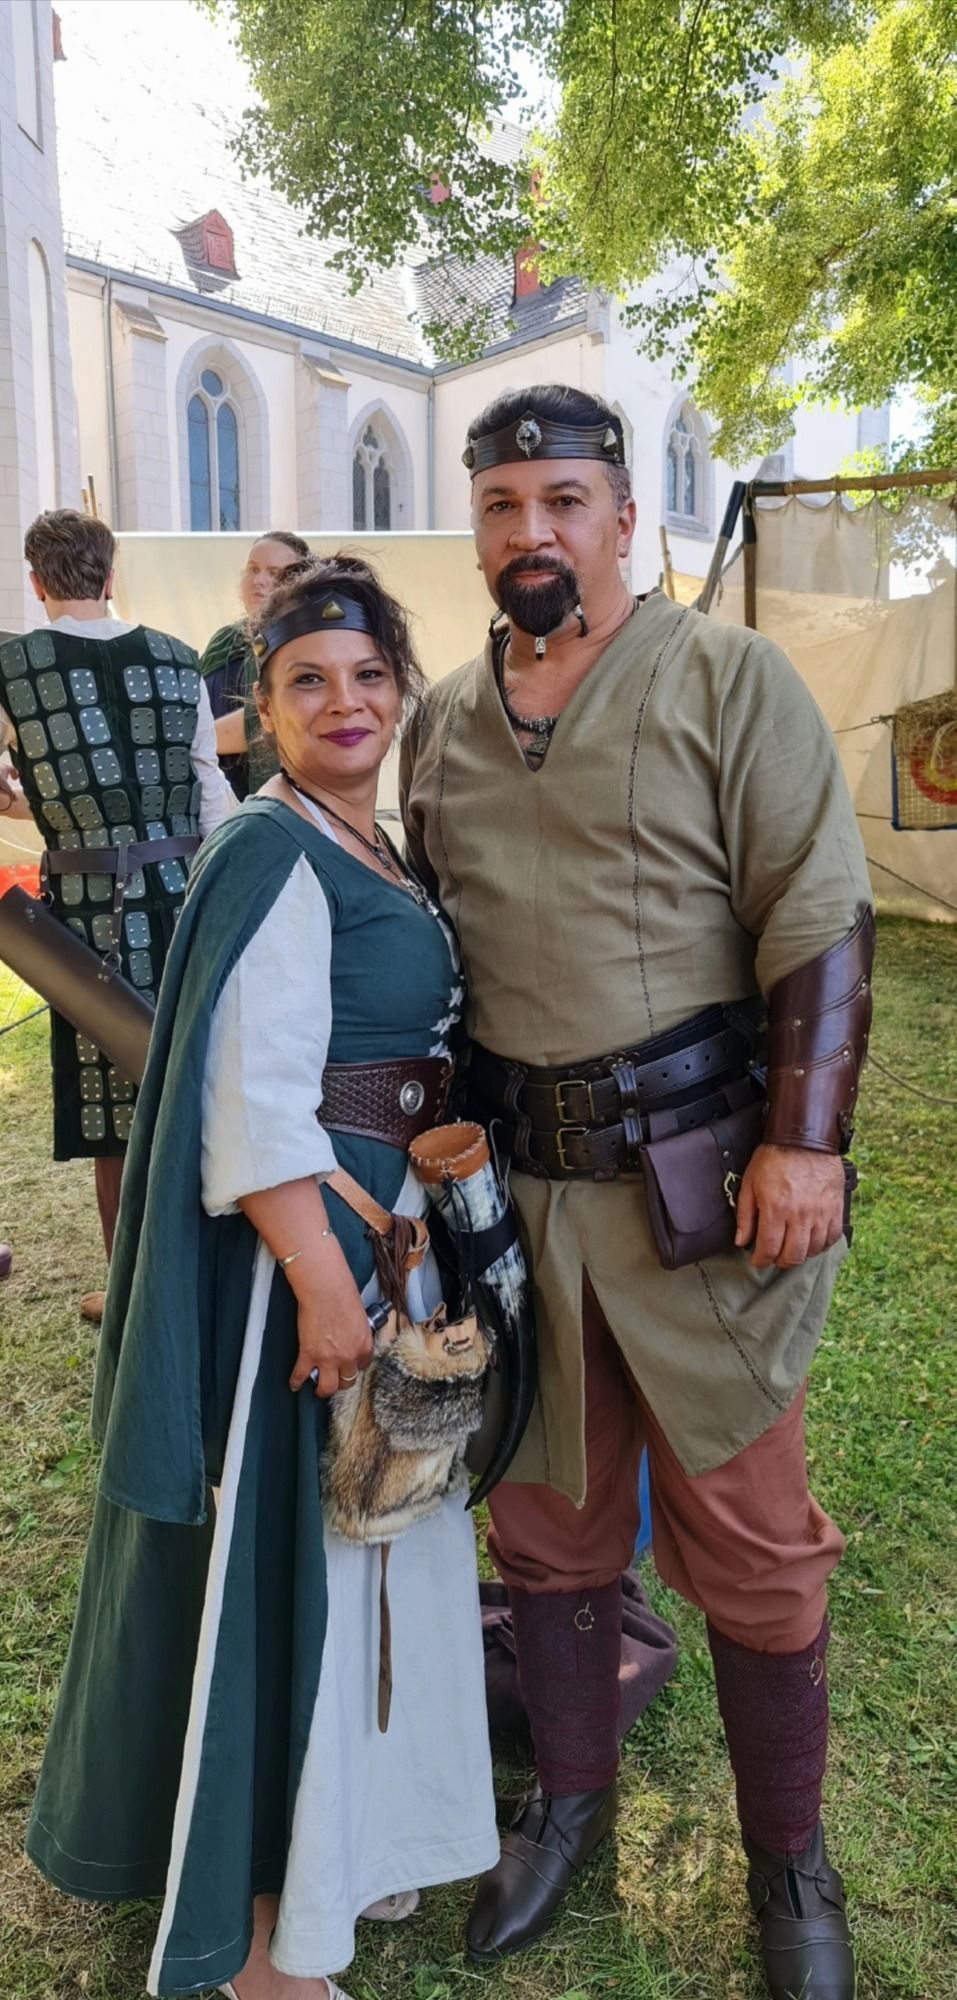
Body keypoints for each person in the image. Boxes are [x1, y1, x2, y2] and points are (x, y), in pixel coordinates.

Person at [400, 384, 874, 2000]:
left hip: (699, 1194)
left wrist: (804, 1138)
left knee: (750, 1536)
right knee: (546, 1524)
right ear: (478, 532)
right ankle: (567, 1806)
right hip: (520, 1204)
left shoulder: (728, 680)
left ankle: (788, 1863)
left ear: (622, 519)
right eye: (502, 504)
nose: (531, 529)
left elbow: (814, 906)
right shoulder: (441, 724)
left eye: (563, 501)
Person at [26, 555, 498, 2000]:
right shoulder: (270, 850)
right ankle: (256, 1943)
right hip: (312, 1261)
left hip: (386, 1231)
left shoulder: (370, 842)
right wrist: (323, 1283)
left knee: (374, 1541)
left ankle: (342, 1847)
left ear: (399, 691)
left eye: (367, 675)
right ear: (261, 709)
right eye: (308, 682)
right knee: (284, 1567)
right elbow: (254, 1095)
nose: (344, 701)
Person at [0, 510, 234, 1320]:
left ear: (37, 582)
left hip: (87, 917)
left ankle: (133, 1293)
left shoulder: (12, 666)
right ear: (110, 573)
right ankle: (205, 1280)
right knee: (192, 1083)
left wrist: (27, 800)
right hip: (186, 895)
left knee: (115, 1111)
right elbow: (210, 790)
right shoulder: (176, 656)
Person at [201, 531, 311, 797]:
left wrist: (198, 739)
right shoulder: (224, 640)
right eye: (253, 569)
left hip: (278, 796)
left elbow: (278, 719)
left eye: (273, 572)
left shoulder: (304, 642)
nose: (259, 580)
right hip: (214, 792)